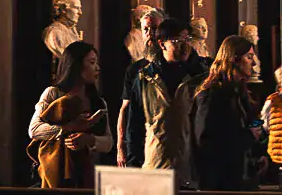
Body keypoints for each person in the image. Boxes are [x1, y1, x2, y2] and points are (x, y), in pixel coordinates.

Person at [117, 10, 206, 176]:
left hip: (193, 169)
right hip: (156, 166)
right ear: (162, 44)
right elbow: (134, 124)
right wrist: (132, 162)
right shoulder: (144, 77)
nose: (184, 46)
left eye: (187, 39)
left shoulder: (202, 75)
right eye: (177, 41)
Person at [28, 40, 115, 188]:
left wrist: (88, 139)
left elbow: (108, 143)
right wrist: (68, 128)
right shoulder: (53, 94)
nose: (97, 68)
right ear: (76, 66)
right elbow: (34, 129)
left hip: (86, 176)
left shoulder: (98, 102)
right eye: (92, 62)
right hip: (54, 173)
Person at [190, 34, 267, 190]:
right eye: (249, 57)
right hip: (220, 183)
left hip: (241, 179)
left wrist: (257, 153)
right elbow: (206, 141)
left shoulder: (240, 92)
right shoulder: (212, 95)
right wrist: (247, 137)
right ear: (234, 59)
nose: (253, 63)